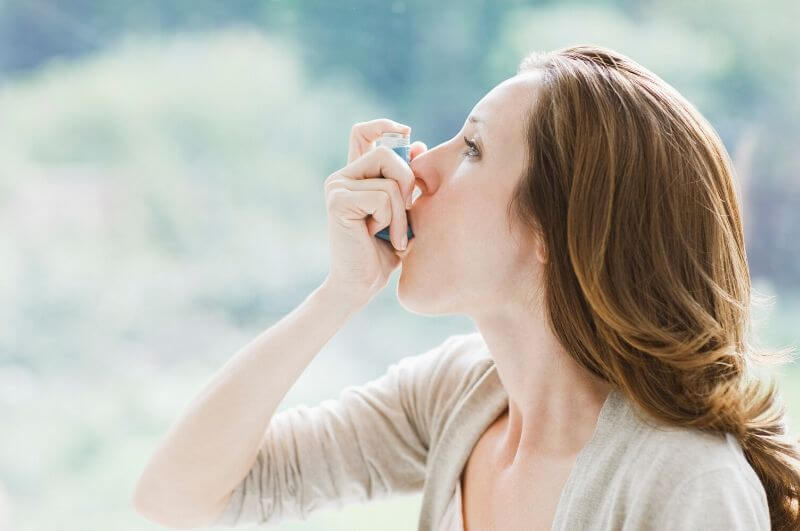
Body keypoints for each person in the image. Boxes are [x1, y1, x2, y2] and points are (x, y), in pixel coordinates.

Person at [133, 45, 800, 530]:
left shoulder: (685, 482)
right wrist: (339, 292)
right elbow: (179, 495)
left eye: (472, 149)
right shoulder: (460, 395)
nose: (419, 163)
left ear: (555, 230)